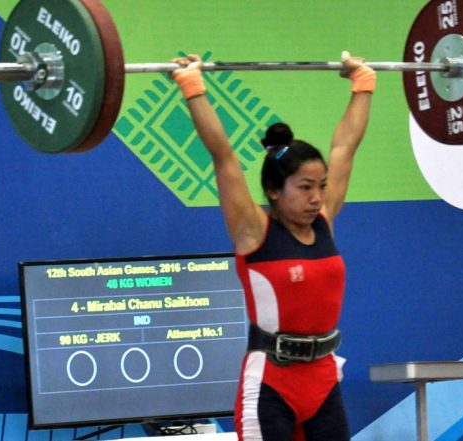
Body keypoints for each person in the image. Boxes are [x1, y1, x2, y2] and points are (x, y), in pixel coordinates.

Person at [169, 51, 375, 441]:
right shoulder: (252, 231)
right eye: (304, 188)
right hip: (271, 384)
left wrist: (362, 84)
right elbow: (222, 154)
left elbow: (345, 147)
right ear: (273, 192)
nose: (316, 198)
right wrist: (193, 87)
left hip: (324, 379)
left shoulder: (324, 221)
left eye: (321, 187)